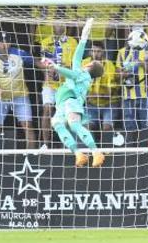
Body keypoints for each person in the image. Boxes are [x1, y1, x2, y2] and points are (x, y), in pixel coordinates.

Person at [44, 19, 105, 168]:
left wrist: (56, 67)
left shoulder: (83, 75)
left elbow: (72, 74)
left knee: (73, 124)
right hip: (62, 104)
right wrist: (85, 34)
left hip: (71, 101)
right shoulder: (83, 73)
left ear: (89, 65)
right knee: (57, 124)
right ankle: (78, 154)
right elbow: (77, 54)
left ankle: (96, 152)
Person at [0, 32, 40, 148]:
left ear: (10, 43)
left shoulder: (19, 53)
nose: (4, 44)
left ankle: (33, 156)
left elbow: (35, 61)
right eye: (1, 42)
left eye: (6, 41)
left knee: (28, 126)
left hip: (20, 96)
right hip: (0, 98)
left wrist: (50, 67)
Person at [116, 29, 148, 131]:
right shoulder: (122, 52)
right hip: (128, 98)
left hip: (147, 97)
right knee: (130, 131)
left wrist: (141, 63)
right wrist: (125, 73)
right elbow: (117, 74)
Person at [39, 24, 78, 146]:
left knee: (67, 113)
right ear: (52, 26)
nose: (59, 26)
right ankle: (46, 144)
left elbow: (75, 64)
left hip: (66, 84)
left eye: (61, 23)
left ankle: (67, 144)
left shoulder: (72, 42)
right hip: (49, 83)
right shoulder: (45, 42)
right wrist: (48, 70)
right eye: (56, 23)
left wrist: (63, 69)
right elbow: (43, 62)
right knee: (47, 109)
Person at [84, 41, 119, 136]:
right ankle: (91, 150)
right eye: (93, 51)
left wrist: (92, 95)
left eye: (98, 51)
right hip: (91, 105)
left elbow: (110, 93)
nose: (95, 54)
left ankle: (106, 150)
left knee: (107, 128)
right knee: (86, 127)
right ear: (90, 52)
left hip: (109, 104)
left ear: (103, 52)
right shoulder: (84, 63)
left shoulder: (109, 65)